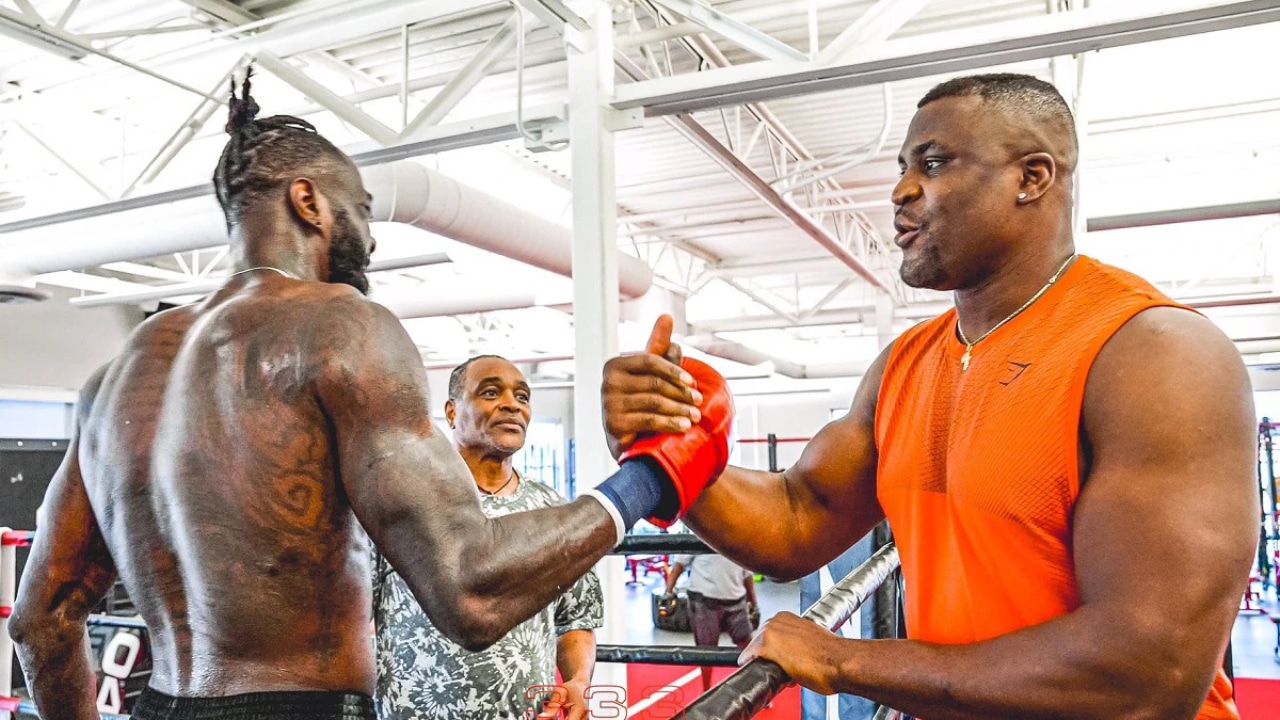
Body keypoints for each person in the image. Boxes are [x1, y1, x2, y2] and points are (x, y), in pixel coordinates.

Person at [8, 72, 731, 720]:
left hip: (158, 704)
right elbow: (470, 591)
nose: (373, 239)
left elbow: (41, 620)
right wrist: (649, 477)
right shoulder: (340, 325)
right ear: (308, 202)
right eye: (361, 208)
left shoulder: (115, 379)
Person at [601, 73, 1257, 720]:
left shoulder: (1154, 354)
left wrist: (845, 661)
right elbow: (800, 516)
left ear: (1033, 177)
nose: (900, 190)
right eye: (903, 166)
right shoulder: (904, 366)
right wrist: (664, 446)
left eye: (934, 163)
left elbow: (1149, 671)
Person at [373, 355, 603, 720]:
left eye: (522, 397)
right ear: (451, 413)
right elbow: (350, 619)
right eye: (491, 392)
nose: (512, 404)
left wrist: (578, 680)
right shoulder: (404, 503)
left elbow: (575, 618)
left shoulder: (551, 510)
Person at [662, 553, 756, 692]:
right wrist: (668, 593)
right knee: (706, 650)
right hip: (704, 602)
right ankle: (706, 691)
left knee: (747, 645)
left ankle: (755, 686)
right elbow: (680, 564)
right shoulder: (701, 534)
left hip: (736, 601)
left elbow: (747, 573)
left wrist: (753, 602)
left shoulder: (739, 538)